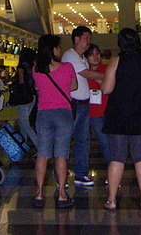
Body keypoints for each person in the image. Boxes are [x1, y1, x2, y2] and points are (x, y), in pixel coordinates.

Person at [101, 28, 141, 211]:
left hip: (119, 114)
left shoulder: (117, 61)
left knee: (117, 157)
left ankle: (112, 200)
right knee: (140, 157)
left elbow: (106, 89)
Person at [32, 34, 77, 209]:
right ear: (53, 49)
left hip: (43, 114)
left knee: (42, 154)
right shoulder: (67, 67)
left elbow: (38, 87)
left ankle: (39, 193)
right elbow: (73, 87)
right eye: (58, 47)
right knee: (61, 154)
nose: (60, 50)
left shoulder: (36, 69)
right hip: (63, 113)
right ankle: (62, 195)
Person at [60, 26, 103, 186]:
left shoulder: (82, 58)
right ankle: (61, 177)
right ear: (77, 39)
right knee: (66, 140)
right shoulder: (70, 56)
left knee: (83, 140)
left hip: (84, 105)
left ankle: (81, 174)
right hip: (74, 105)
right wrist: (110, 76)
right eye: (87, 38)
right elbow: (87, 74)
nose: (89, 42)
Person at [84, 44, 110, 166]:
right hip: (93, 112)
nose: (95, 57)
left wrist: (93, 76)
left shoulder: (107, 68)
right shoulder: (83, 71)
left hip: (109, 111)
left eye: (97, 54)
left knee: (110, 143)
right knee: (103, 142)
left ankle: (113, 172)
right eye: (92, 54)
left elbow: (108, 86)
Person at [14, 48, 39, 149]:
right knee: (23, 122)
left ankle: (39, 145)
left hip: (23, 97)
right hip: (31, 96)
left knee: (25, 123)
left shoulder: (21, 67)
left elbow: (21, 81)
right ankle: (23, 145)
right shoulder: (33, 66)